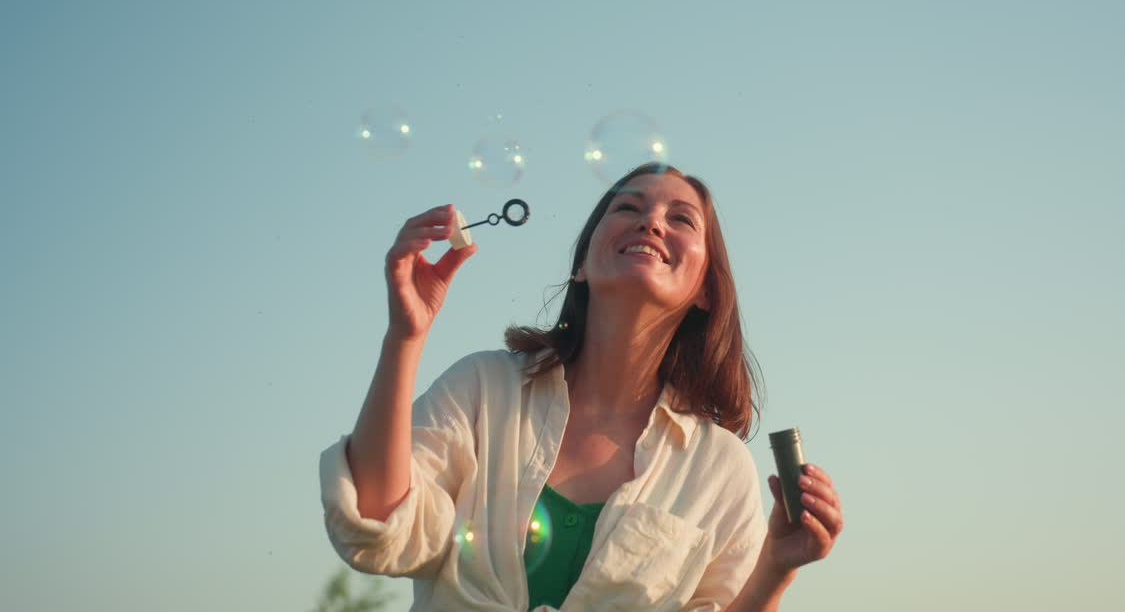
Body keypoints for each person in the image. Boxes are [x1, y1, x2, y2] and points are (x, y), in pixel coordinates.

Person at [319, 163, 843, 611]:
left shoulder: (717, 467)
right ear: (581, 267)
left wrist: (775, 569)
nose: (652, 221)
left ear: (706, 289)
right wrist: (404, 337)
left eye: (680, 218)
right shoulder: (483, 388)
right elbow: (380, 529)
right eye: (628, 208)